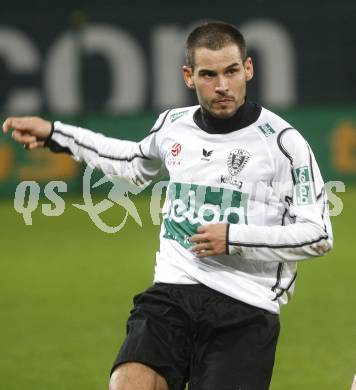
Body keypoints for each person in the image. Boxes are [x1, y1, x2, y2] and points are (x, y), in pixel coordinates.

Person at [2, 21, 333, 390]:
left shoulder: (284, 143)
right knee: (128, 383)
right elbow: (130, 163)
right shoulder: (172, 126)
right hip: (173, 294)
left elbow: (318, 234)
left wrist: (234, 237)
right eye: (209, 74)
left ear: (249, 69)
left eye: (232, 71)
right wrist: (55, 133)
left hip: (246, 307)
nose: (222, 86)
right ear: (189, 76)